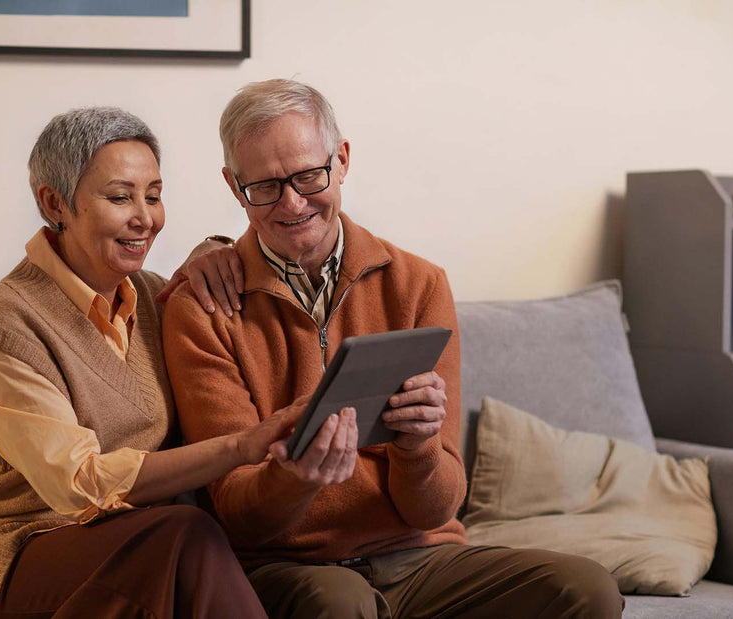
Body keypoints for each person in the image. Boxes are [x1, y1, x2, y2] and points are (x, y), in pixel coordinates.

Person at [161, 79, 624, 619]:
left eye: (309, 175)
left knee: (586, 588)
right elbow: (239, 515)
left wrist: (419, 447)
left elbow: (437, 508)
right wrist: (294, 479)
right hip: (288, 567)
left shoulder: (419, 285)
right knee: (341, 604)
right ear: (233, 186)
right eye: (263, 186)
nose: (292, 202)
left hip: (420, 560)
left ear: (342, 159)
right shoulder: (202, 308)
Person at [0, 107, 302, 619]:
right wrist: (242, 446)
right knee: (184, 537)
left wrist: (220, 249)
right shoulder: (8, 322)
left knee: (184, 547)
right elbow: (79, 485)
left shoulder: (159, 300)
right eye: (120, 197)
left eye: (154, 196)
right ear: (55, 203)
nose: (146, 218)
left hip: (128, 555)